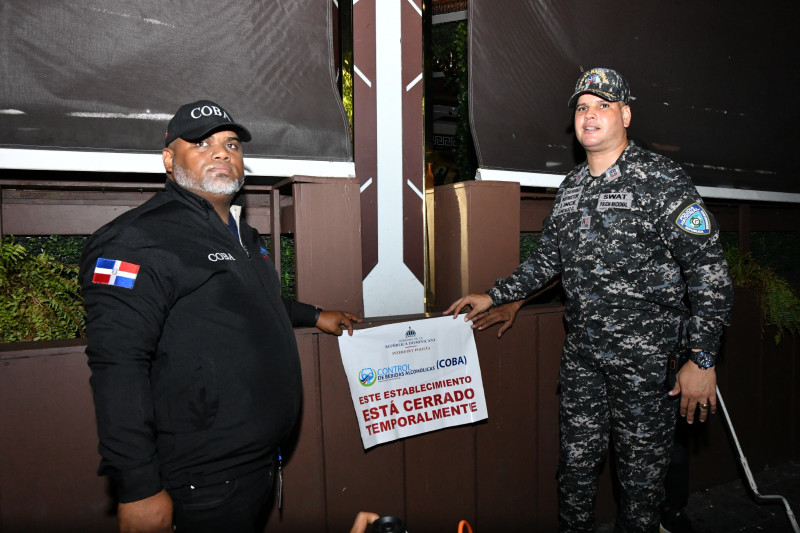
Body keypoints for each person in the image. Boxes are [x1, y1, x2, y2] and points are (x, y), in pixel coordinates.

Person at [445, 68, 733, 532]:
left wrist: (702, 358)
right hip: (583, 361)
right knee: (574, 475)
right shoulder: (572, 188)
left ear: (625, 114)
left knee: (640, 489)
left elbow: (709, 271)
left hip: (647, 364)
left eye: (603, 105)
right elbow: (547, 262)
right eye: (582, 107)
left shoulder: (661, 179)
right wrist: (495, 294)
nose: (590, 115)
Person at [80, 100, 361, 533]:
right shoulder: (136, 239)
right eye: (201, 143)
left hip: (257, 463)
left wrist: (316, 314)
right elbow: (118, 365)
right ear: (169, 161)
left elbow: (253, 301)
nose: (221, 151)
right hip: (202, 478)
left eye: (231, 143)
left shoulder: (242, 234)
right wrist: (138, 488)